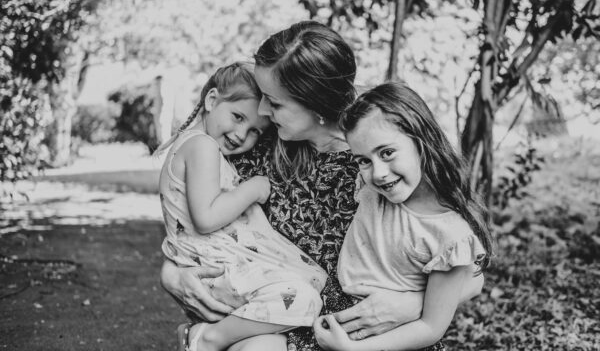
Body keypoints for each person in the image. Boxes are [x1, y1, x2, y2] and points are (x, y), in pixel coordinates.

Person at [160, 21, 485, 351]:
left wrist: (414, 303)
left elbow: (465, 265)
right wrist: (171, 273)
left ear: (315, 105)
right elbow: (197, 217)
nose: (261, 110)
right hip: (277, 323)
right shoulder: (258, 144)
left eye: (274, 102)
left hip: (355, 335)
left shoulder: (377, 162)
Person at [156, 61, 329, 351]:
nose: (241, 134)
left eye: (254, 132)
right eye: (237, 117)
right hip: (215, 268)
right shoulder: (202, 146)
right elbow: (206, 217)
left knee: (308, 286)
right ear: (211, 100)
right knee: (305, 297)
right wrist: (253, 188)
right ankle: (205, 339)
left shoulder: (202, 145)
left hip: (215, 265)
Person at [312, 82, 494, 351]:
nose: (379, 172)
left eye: (387, 153)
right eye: (363, 160)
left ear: (422, 142)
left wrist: (354, 350)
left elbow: (431, 326)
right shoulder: (370, 189)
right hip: (335, 314)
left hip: (391, 339)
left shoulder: (450, 235)